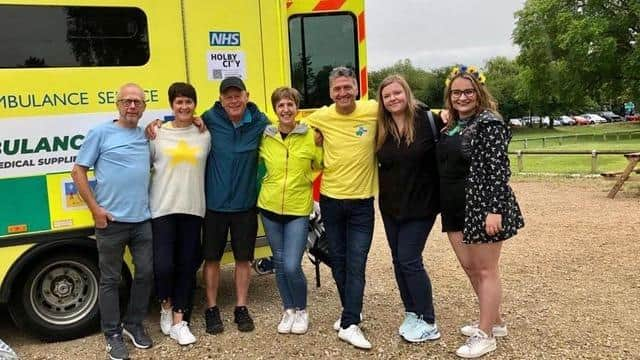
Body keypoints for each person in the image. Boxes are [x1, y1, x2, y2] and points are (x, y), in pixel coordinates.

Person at [436, 66, 524, 358]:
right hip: (454, 205)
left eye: (468, 91)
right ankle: (494, 321)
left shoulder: (489, 123)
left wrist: (494, 210)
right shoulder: (453, 123)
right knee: (470, 267)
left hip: (481, 205)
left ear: (479, 92)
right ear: (450, 95)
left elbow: (498, 170)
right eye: (457, 92)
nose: (463, 97)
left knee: (486, 270)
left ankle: (485, 335)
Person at [71, 83, 154, 360]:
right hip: (111, 222)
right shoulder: (100, 133)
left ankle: (133, 324)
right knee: (109, 279)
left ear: (143, 107)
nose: (132, 106)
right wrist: (95, 209)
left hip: (142, 220)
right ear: (118, 104)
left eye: (137, 102)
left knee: (145, 273)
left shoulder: (145, 135)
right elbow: (78, 171)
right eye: (127, 101)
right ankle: (112, 335)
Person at [303, 66, 378, 350]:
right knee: (339, 261)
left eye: (348, 87)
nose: (343, 93)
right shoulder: (321, 116)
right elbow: (288, 123)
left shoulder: (372, 110)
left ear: (357, 89)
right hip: (331, 202)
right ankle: (351, 313)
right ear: (331, 92)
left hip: (362, 204)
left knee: (356, 262)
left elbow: (407, 109)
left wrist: (443, 115)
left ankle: (349, 323)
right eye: (338, 89)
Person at [375, 75, 442, 343]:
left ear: (407, 93)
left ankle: (428, 320)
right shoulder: (381, 127)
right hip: (391, 207)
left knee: (409, 260)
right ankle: (411, 311)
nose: (393, 99)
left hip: (421, 206)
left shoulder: (428, 121)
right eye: (387, 95)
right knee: (397, 260)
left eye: (397, 93)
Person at [199, 77, 269, 334]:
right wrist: (157, 124)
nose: (233, 100)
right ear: (220, 99)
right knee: (212, 259)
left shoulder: (260, 122)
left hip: (245, 206)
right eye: (227, 96)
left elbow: (285, 132)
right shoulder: (209, 118)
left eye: (237, 95)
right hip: (214, 206)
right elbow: (182, 123)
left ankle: (241, 307)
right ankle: (212, 308)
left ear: (246, 96)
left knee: (243, 258)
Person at [258, 87, 323, 335]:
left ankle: (302, 309)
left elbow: (321, 163)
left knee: (292, 265)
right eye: (280, 105)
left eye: (290, 105)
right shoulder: (266, 135)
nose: (285, 109)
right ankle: (288, 310)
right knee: (280, 262)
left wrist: (307, 178)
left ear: (297, 108)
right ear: (275, 109)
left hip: (297, 208)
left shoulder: (310, 135)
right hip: (269, 206)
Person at [150, 82, 210, 345]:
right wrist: (149, 127)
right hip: (162, 208)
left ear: (194, 105)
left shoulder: (205, 133)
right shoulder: (157, 134)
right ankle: (165, 305)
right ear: (171, 105)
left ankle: (179, 320)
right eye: (179, 102)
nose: (184, 106)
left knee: (187, 265)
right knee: (163, 265)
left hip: (193, 208)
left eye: (188, 101)